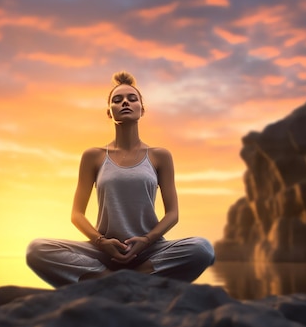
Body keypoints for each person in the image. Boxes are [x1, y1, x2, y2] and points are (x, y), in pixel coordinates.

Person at [26, 71, 215, 287]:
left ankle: (120, 282)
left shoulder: (159, 155)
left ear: (142, 109)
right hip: (103, 250)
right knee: (36, 249)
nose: (125, 102)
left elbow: (172, 214)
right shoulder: (93, 156)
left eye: (132, 99)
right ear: (109, 112)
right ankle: (114, 280)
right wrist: (102, 242)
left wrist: (145, 241)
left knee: (202, 248)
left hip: (149, 250)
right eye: (117, 100)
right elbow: (77, 214)